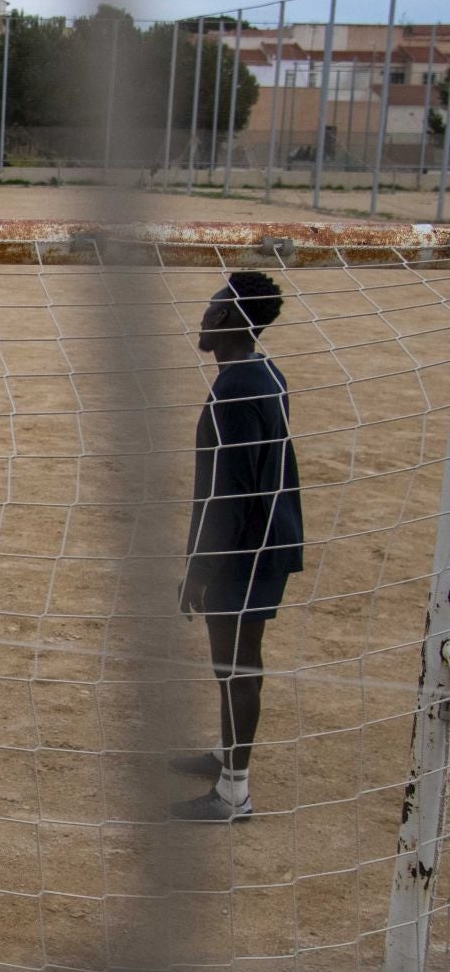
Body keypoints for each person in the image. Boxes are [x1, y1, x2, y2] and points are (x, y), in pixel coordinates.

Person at [172, 272, 303, 823]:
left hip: (245, 551)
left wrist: (199, 569)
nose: (203, 316)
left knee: (238, 663)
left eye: (212, 307)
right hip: (263, 539)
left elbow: (231, 494)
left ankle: (234, 793)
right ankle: (227, 756)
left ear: (228, 320)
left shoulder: (237, 390)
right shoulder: (261, 372)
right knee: (234, 664)